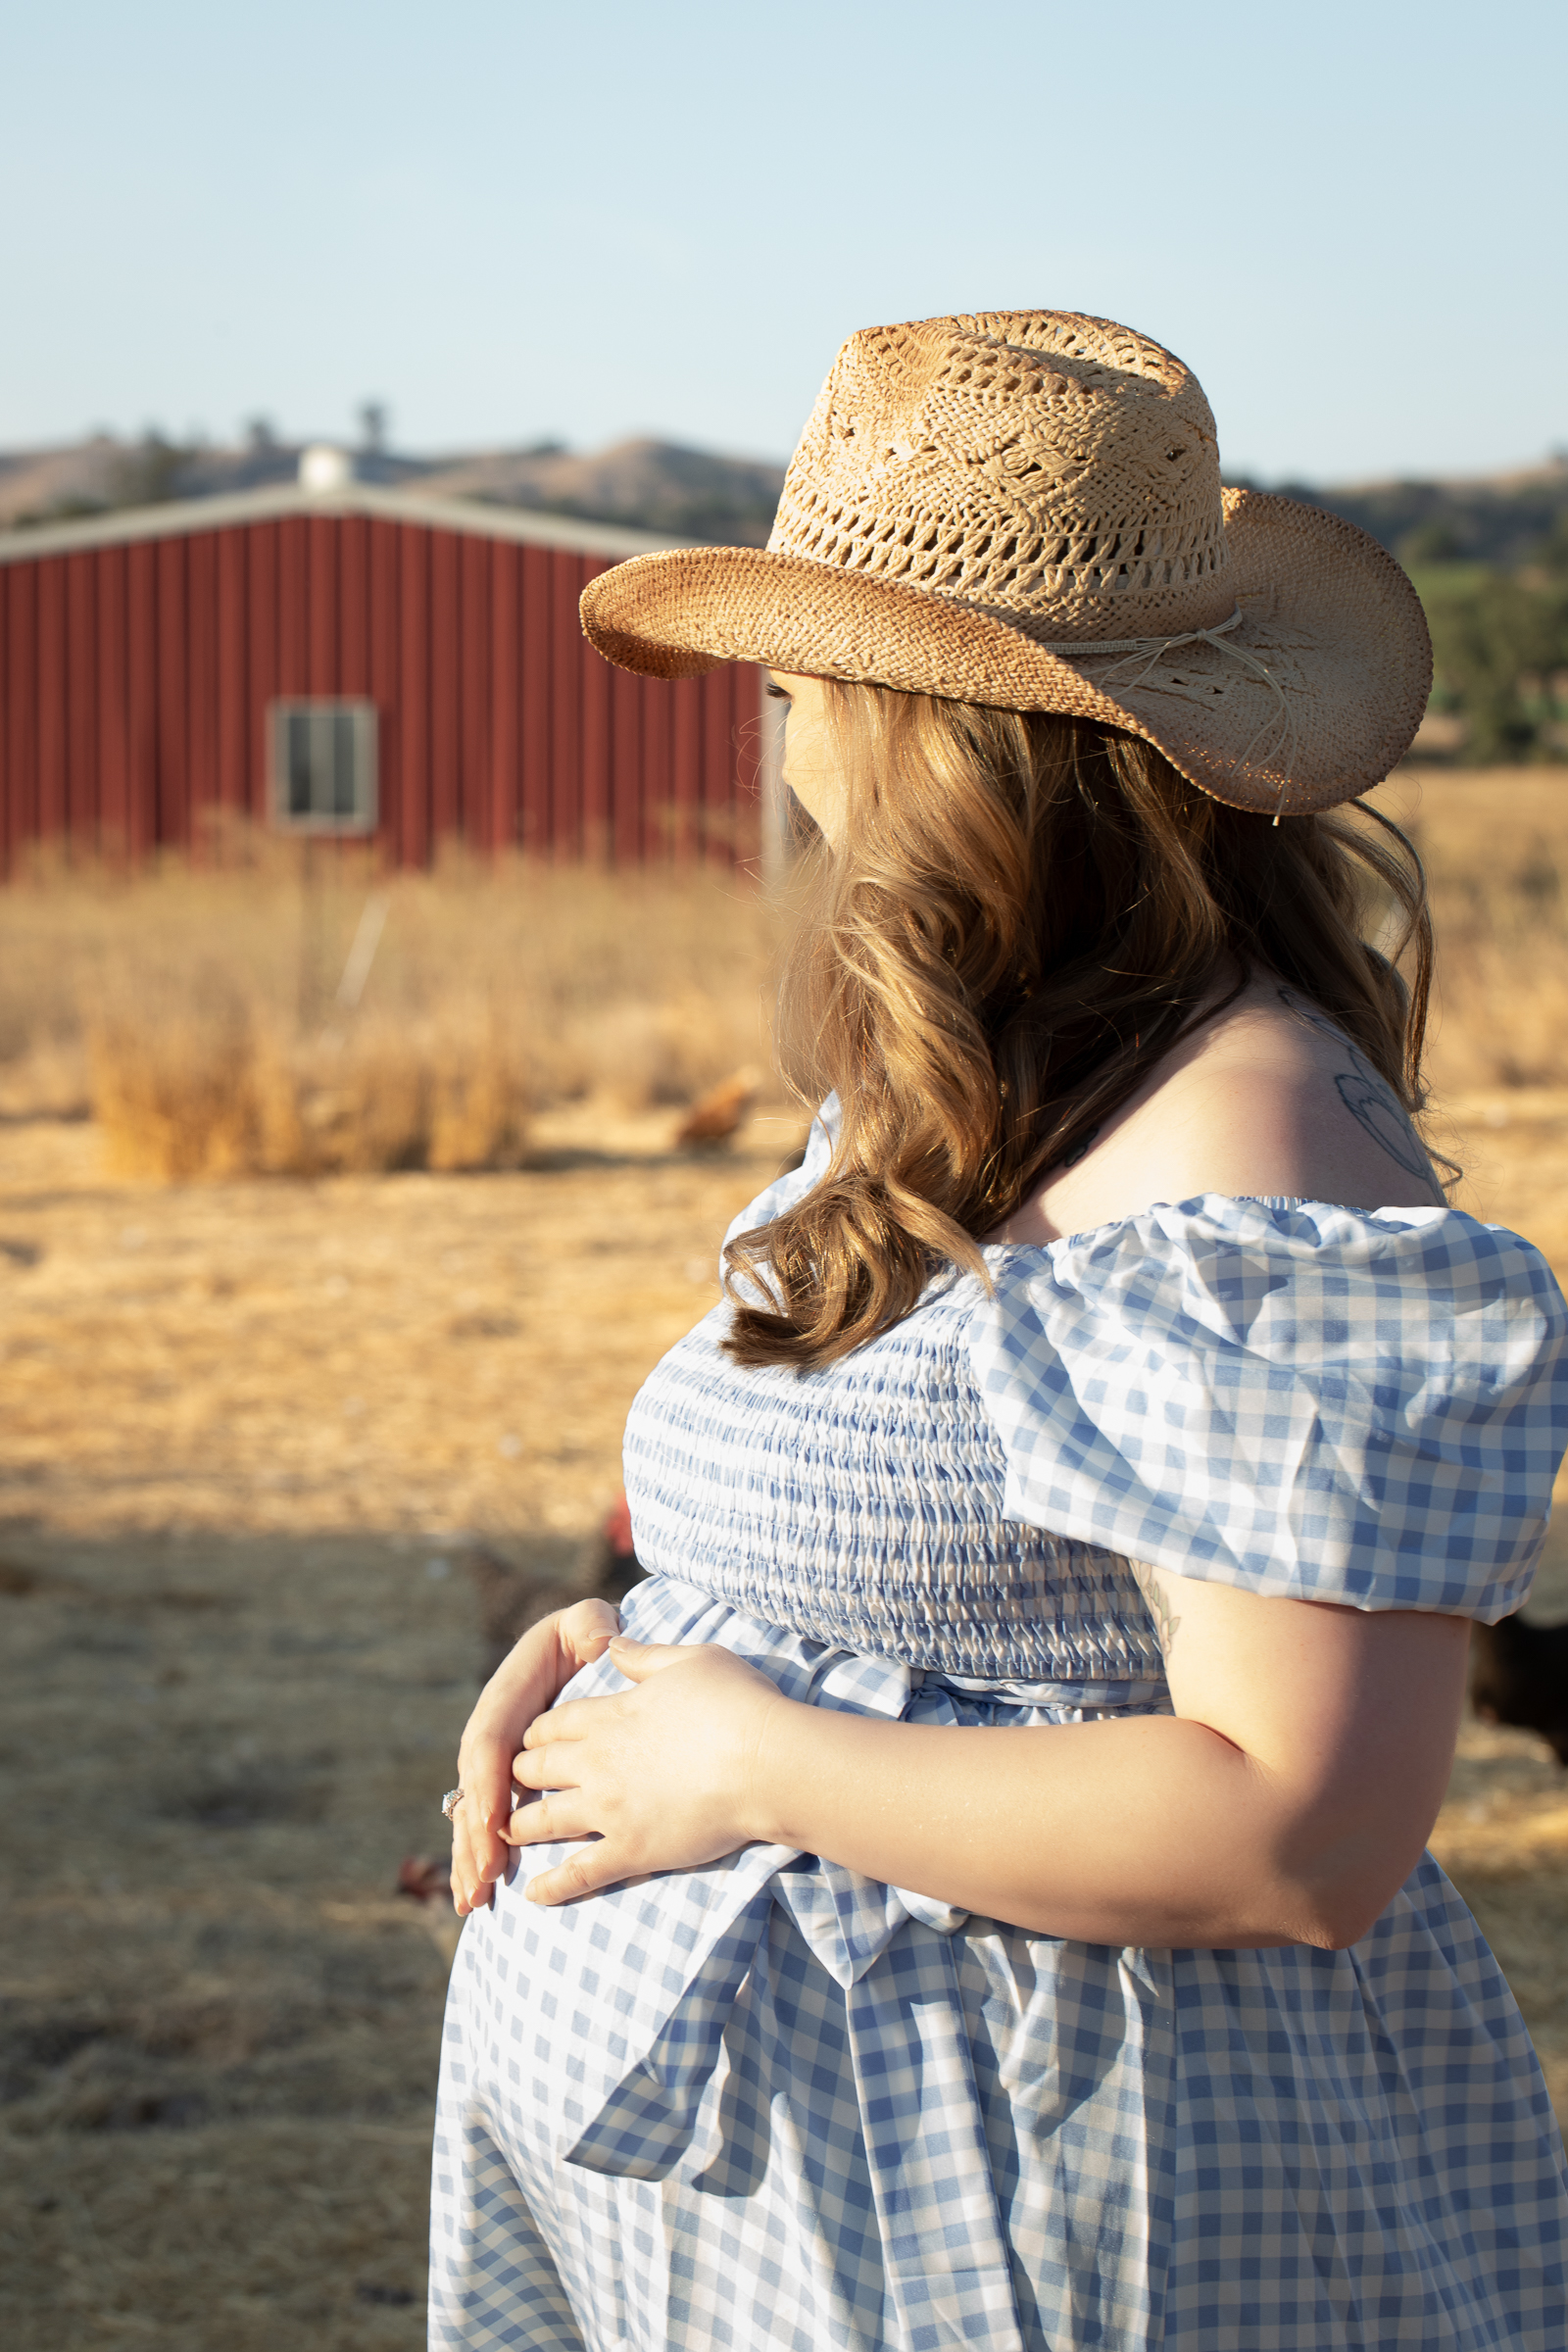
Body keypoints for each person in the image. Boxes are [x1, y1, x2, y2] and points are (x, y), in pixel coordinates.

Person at [429, 313, 1568, 2351]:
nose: (777, 756)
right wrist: (638, 1653)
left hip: (1038, 2202)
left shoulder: (1239, 1144)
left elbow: (1298, 1826)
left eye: (795, 691)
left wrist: (753, 1754)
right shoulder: (963, 1073)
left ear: (936, 734)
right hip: (805, 2202)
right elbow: (956, 1592)